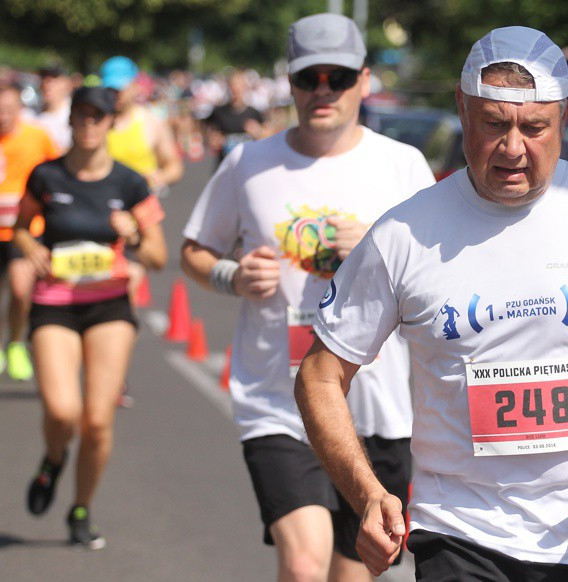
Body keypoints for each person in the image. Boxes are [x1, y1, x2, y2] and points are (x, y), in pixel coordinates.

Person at [295, 26, 568, 581]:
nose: (513, 148)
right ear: (462, 109)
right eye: (494, 124)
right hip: (460, 531)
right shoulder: (403, 234)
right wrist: (368, 493)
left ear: (564, 115)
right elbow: (320, 376)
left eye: (534, 127)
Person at [181, 13, 434, 581]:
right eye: (308, 77)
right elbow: (194, 251)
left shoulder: (402, 166)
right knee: (301, 564)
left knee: (353, 573)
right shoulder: (247, 164)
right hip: (278, 398)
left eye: (338, 77)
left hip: (376, 407)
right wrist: (234, 276)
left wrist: (374, 250)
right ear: (290, 83)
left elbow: (438, 275)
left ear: (364, 81)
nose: (323, 90)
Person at [15, 85, 167, 548]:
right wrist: (32, 249)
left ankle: (81, 509)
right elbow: (21, 228)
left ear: (111, 122)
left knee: (98, 420)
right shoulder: (46, 176)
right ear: (71, 120)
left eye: (97, 116)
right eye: (80, 115)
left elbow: (158, 256)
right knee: (63, 410)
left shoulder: (131, 183)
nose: (87, 123)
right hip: (55, 302)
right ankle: (53, 458)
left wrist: (135, 235)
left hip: (109, 307)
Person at [100, 56, 183, 307]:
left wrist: (159, 176)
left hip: (138, 218)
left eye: (120, 88)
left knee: (130, 283)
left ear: (134, 86)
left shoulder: (149, 122)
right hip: (99, 215)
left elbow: (174, 166)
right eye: (110, 88)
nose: (115, 94)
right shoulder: (95, 123)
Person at [0, 81, 60, 381]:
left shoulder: (37, 137)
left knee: (21, 288)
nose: (3, 116)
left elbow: (60, 171)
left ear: (20, 109)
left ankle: (15, 343)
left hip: (24, 229)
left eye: (9, 110)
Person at [204, 68, 266, 166]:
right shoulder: (219, 112)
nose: (235, 90)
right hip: (226, 166)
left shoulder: (254, 113)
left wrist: (259, 133)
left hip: (248, 166)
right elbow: (207, 133)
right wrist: (211, 139)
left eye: (239, 86)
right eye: (232, 86)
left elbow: (269, 137)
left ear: (245, 88)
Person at [37, 64, 73, 151]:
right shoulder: (28, 114)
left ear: (67, 84)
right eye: (44, 78)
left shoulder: (75, 114)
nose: (47, 85)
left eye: (54, 79)